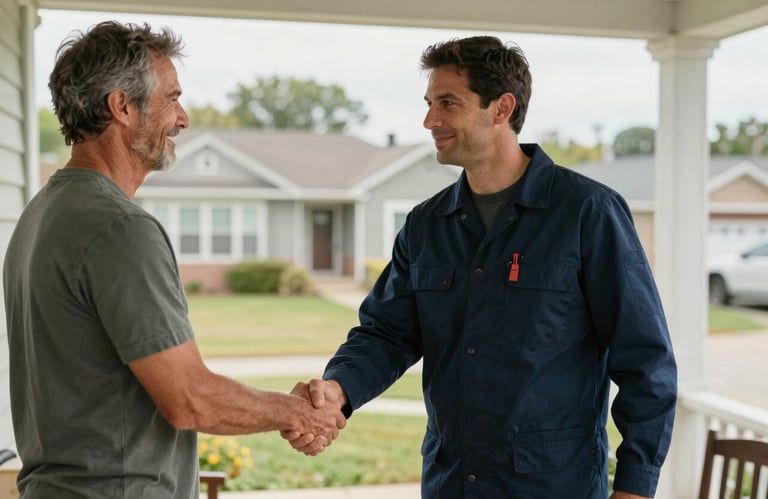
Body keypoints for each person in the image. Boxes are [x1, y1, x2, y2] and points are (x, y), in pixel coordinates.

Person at [290, 36, 677, 498]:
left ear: (501, 108)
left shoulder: (587, 213)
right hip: (451, 481)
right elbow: (387, 334)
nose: (430, 120)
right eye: (430, 103)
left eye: (448, 103)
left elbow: (646, 360)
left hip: (554, 486)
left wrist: (635, 487)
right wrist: (338, 391)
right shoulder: (426, 225)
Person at [2, 21, 344, 499]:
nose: (183, 119)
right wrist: (296, 412)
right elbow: (188, 399)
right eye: (172, 98)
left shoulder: (41, 215)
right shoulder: (119, 229)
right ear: (121, 106)